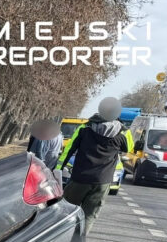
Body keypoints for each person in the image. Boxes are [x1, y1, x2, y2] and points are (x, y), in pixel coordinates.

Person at [57, 97, 134, 233]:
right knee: (90, 215)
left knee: (67, 210)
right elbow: (129, 148)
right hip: (102, 182)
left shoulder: (84, 128)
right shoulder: (123, 132)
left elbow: (69, 150)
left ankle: (60, 236)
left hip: (80, 178)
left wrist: (58, 169)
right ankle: (77, 241)